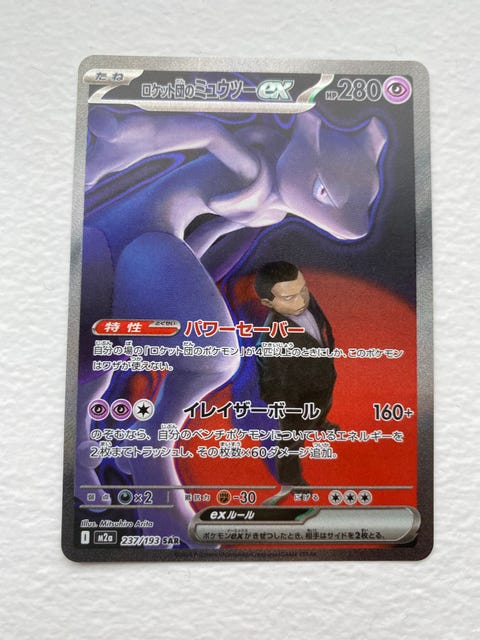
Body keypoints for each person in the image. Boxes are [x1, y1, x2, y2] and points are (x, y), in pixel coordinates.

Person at [254, 261, 337, 493]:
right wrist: (290, 411)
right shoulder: (270, 341)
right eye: (289, 297)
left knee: (323, 406)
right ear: (268, 303)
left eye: (303, 290)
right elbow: (271, 385)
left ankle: (319, 422)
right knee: (291, 440)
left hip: (322, 379)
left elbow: (321, 327)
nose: (301, 301)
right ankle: (290, 479)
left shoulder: (307, 301)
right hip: (296, 401)